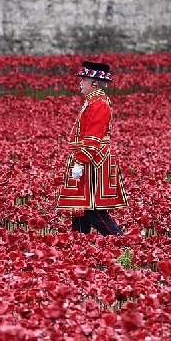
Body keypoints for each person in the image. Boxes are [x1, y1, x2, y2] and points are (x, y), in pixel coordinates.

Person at [57, 61, 127, 235]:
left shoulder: (99, 104)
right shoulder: (93, 101)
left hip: (92, 162)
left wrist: (80, 162)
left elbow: (92, 137)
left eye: (84, 79)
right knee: (80, 208)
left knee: (93, 210)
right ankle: (77, 246)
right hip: (89, 161)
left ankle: (121, 241)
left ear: (94, 83)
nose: (81, 83)